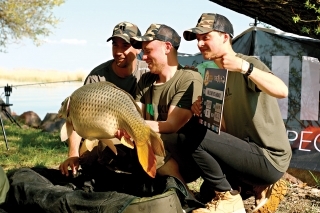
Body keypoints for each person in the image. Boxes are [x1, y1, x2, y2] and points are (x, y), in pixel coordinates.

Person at [183, 13, 292, 213]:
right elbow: (222, 132)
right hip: (244, 155)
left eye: (206, 37)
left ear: (225, 37)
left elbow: (282, 90)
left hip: (268, 157)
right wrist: (204, 112)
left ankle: (233, 198)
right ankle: (256, 187)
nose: (199, 44)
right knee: (207, 193)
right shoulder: (214, 76)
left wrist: (245, 68)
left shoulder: (248, 63)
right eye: (198, 39)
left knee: (193, 135)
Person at [59, 21, 149, 177]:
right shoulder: (97, 77)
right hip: (106, 137)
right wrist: (73, 154)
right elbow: (76, 121)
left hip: (139, 131)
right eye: (115, 45)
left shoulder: (148, 72)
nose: (118, 51)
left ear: (138, 47)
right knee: (90, 158)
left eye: (125, 46)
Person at [129, 23, 207, 185]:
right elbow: (134, 114)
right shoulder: (146, 80)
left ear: (167, 47)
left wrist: (127, 124)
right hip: (152, 151)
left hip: (185, 157)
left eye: (148, 51)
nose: (143, 57)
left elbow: (172, 125)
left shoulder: (188, 78)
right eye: (143, 52)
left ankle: (184, 194)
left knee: (147, 138)